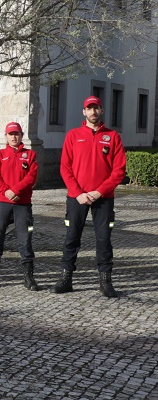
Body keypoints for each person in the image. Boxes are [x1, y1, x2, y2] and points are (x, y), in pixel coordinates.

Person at [53, 95, 127, 298]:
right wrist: (78, 193)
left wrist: (98, 192)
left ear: (101, 111)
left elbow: (118, 171)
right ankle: (66, 279)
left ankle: (105, 282)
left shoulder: (113, 137)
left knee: (104, 240)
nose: (93, 112)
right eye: (89, 108)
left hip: (103, 198)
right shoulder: (73, 135)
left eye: (96, 108)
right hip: (77, 198)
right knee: (71, 238)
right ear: (83, 112)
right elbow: (65, 168)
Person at [0, 122, 39, 290]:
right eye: (11, 134)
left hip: (22, 203)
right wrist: (5, 191)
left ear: (21, 135)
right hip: (2, 202)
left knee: (25, 239)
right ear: (6, 136)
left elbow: (32, 177)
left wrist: (15, 190)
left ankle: (28, 277)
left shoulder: (30, 155)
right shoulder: (0, 155)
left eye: (17, 134)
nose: (14, 137)